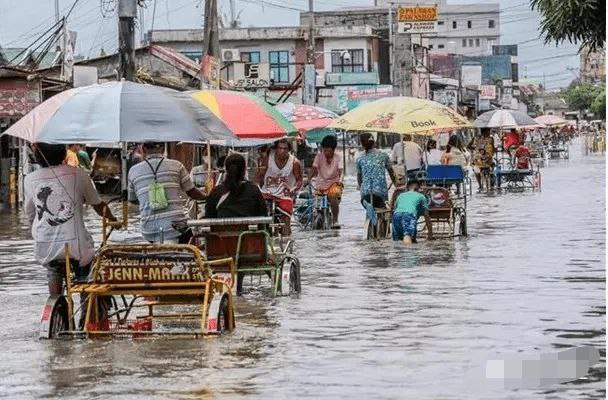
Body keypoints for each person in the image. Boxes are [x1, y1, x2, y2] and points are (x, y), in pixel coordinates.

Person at [24, 143, 117, 298]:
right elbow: (98, 205)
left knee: (53, 270)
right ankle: (86, 311)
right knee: (86, 274)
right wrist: (113, 219)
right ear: (63, 154)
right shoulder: (79, 174)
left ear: (38, 156)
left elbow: (30, 213)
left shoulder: (29, 179)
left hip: (45, 245)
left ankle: (55, 303)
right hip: (77, 246)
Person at [128, 142, 206, 244]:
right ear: (164, 148)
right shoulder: (177, 166)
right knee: (193, 243)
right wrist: (209, 197)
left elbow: (132, 200)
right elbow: (192, 192)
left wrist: (149, 199)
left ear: (143, 149)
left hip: (148, 231)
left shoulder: (133, 171)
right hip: (177, 228)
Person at [206, 153, 267, 218]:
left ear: (226, 170)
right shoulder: (254, 191)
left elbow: (209, 217)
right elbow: (263, 215)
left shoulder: (216, 192)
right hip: (248, 227)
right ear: (244, 170)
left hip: (222, 228)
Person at [357, 133, 397, 225]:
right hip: (381, 192)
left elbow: (359, 177)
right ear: (374, 142)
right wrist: (395, 184)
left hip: (366, 191)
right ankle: (385, 223)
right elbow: (391, 172)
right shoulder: (383, 155)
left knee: (363, 200)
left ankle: (367, 205)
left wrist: (360, 187)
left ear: (362, 144)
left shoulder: (359, 158)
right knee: (383, 208)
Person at [308, 135, 344, 228]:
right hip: (321, 184)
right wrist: (308, 179)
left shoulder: (338, 157)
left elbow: (341, 172)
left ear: (333, 150)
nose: (326, 152)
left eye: (328, 150)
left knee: (332, 196)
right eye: (324, 150)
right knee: (315, 199)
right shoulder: (319, 157)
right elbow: (314, 169)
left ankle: (335, 220)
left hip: (334, 184)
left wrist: (340, 181)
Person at [389, 179, 432, 245]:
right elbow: (426, 216)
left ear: (407, 188)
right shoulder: (421, 196)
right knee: (407, 236)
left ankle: (397, 255)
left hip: (396, 215)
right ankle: (409, 253)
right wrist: (430, 234)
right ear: (418, 188)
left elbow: (395, 209)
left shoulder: (400, 196)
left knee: (397, 241)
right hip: (409, 215)